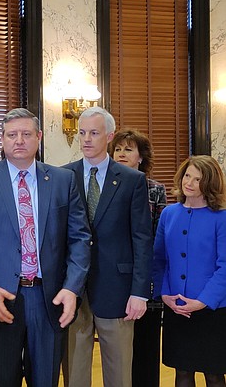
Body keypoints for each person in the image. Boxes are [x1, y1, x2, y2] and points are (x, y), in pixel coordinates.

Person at [0, 108, 91, 386]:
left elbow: (79, 238)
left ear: (39, 137)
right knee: (0, 378)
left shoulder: (62, 180)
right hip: (0, 299)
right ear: (2, 140)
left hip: (49, 298)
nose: (19, 140)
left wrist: (72, 287)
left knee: (45, 379)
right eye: (12, 135)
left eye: (26, 134)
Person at [63, 107, 153, 387]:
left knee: (118, 371)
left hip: (118, 289)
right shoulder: (63, 176)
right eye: (82, 133)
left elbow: (142, 238)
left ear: (109, 136)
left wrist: (140, 291)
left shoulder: (131, 180)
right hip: (73, 289)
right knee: (75, 370)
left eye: (94, 132)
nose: (86, 139)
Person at [153, 155, 226, 387]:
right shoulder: (169, 214)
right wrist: (165, 294)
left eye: (198, 179)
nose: (189, 183)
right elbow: (159, 259)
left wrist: (203, 301)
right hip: (177, 306)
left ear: (210, 184)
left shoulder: (221, 218)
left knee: (214, 374)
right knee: (182, 372)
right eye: (187, 175)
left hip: (212, 309)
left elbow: (224, 266)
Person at [108, 128, 167, 387]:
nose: (121, 153)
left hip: (146, 276)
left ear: (141, 157)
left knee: (145, 347)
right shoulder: (105, 186)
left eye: (128, 149)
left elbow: (157, 236)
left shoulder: (154, 189)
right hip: (114, 277)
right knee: (118, 352)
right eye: (118, 149)